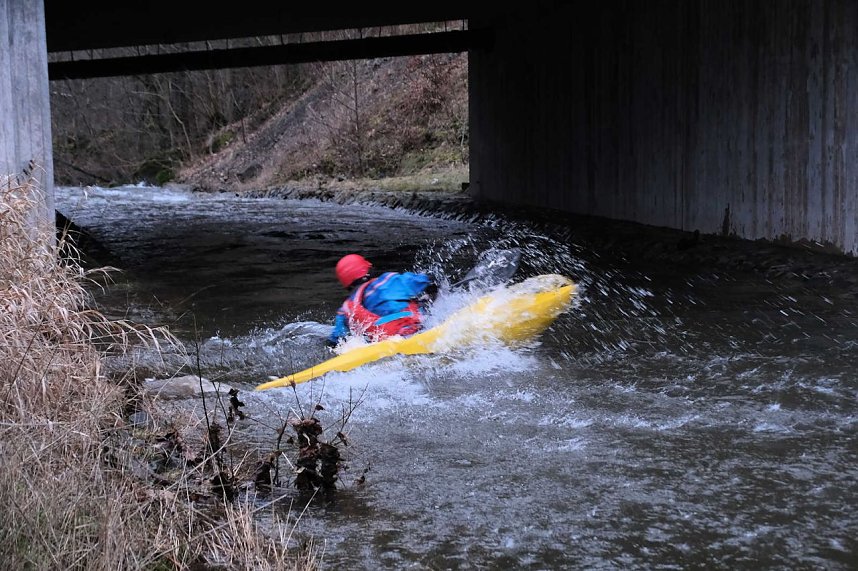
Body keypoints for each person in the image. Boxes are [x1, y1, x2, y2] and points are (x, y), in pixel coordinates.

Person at [327, 254, 437, 346]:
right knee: (423, 303)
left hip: (382, 342)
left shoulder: (345, 309)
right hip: (414, 331)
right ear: (366, 272)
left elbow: (335, 340)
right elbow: (424, 280)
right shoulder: (387, 281)